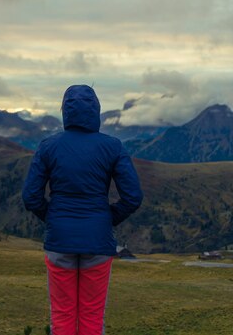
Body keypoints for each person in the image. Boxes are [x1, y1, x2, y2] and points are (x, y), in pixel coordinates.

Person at [22, 85, 143, 335]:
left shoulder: (48, 146)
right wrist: (107, 219)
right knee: (91, 316)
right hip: (98, 241)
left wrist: (54, 219)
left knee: (63, 316)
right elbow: (133, 197)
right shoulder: (113, 146)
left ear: (65, 111)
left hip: (59, 241)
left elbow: (31, 197)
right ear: (96, 110)